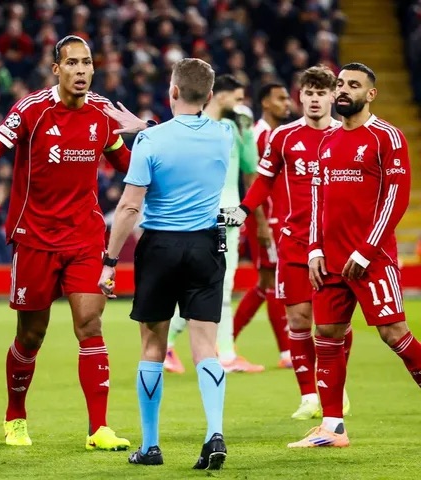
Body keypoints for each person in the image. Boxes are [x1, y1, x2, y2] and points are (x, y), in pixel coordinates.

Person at [0, 35, 131, 451]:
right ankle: (15, 415)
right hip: (35, 237)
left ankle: (99, 429)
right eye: (72, 63)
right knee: (31, 335)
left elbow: (126, 161)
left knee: (90, 324)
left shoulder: (103, 113)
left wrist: (160, 154)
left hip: (85, 237)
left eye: (87, 63)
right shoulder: (32, 109)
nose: (81, 70)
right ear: (57, 69)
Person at [99, 58, 230, 470]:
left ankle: (151, 446)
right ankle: (214, 433)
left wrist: (109, 261)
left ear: (172, 91)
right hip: (206, 246)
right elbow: (189, 134)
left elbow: (128, 207)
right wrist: (148, 126)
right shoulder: (224, 135)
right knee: (205, 346)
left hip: (160, 247)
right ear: (209, 95)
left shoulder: (150, 142)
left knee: (153, 346)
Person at [292, 62, 417, 447]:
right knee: (327, 334)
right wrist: (314, 248)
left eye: (354, 85)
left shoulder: (387, 137)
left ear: (371, 94)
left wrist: (366, 251)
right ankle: (332, 428)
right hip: (329, 261)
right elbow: (317, 198)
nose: (344, 90)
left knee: (393, 334)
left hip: (372, 260)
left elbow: (396, 199)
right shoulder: (328, 140)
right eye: (341, 84)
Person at [221, 65, 353, 419]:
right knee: (298, 320)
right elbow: (263, 181)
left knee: (336, 324)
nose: (314, 99)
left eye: (321, 93)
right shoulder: (283, 137)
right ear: (300, 96)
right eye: (309, 93)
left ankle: (336, 386)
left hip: (334, 243)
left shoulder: (346, 135)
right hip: (294, 241)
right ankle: (308, 395)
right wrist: (244, 210)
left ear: (332, 96)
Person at [163, 75, 264, 374]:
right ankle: (223, 355)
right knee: (219, 284)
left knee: (209, 285)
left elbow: (250, 165)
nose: (241, 104)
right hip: (216, 217)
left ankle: (173, 345)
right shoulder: (196, 126)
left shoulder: (233, 127)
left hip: (225, 217)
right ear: (220, 96)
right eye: (237, 98)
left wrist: (247, 133)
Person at [232, 82, 292, 368]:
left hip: (281, 218)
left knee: (268, 282)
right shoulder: (258, 135)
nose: (287, 103)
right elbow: (251, 181)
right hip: (267, 220)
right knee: (273, 281)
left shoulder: (282, 134)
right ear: (265, 103)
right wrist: (261, 223)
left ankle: (226, 341)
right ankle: (286, 352)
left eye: (287, 98)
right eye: (280, 98)